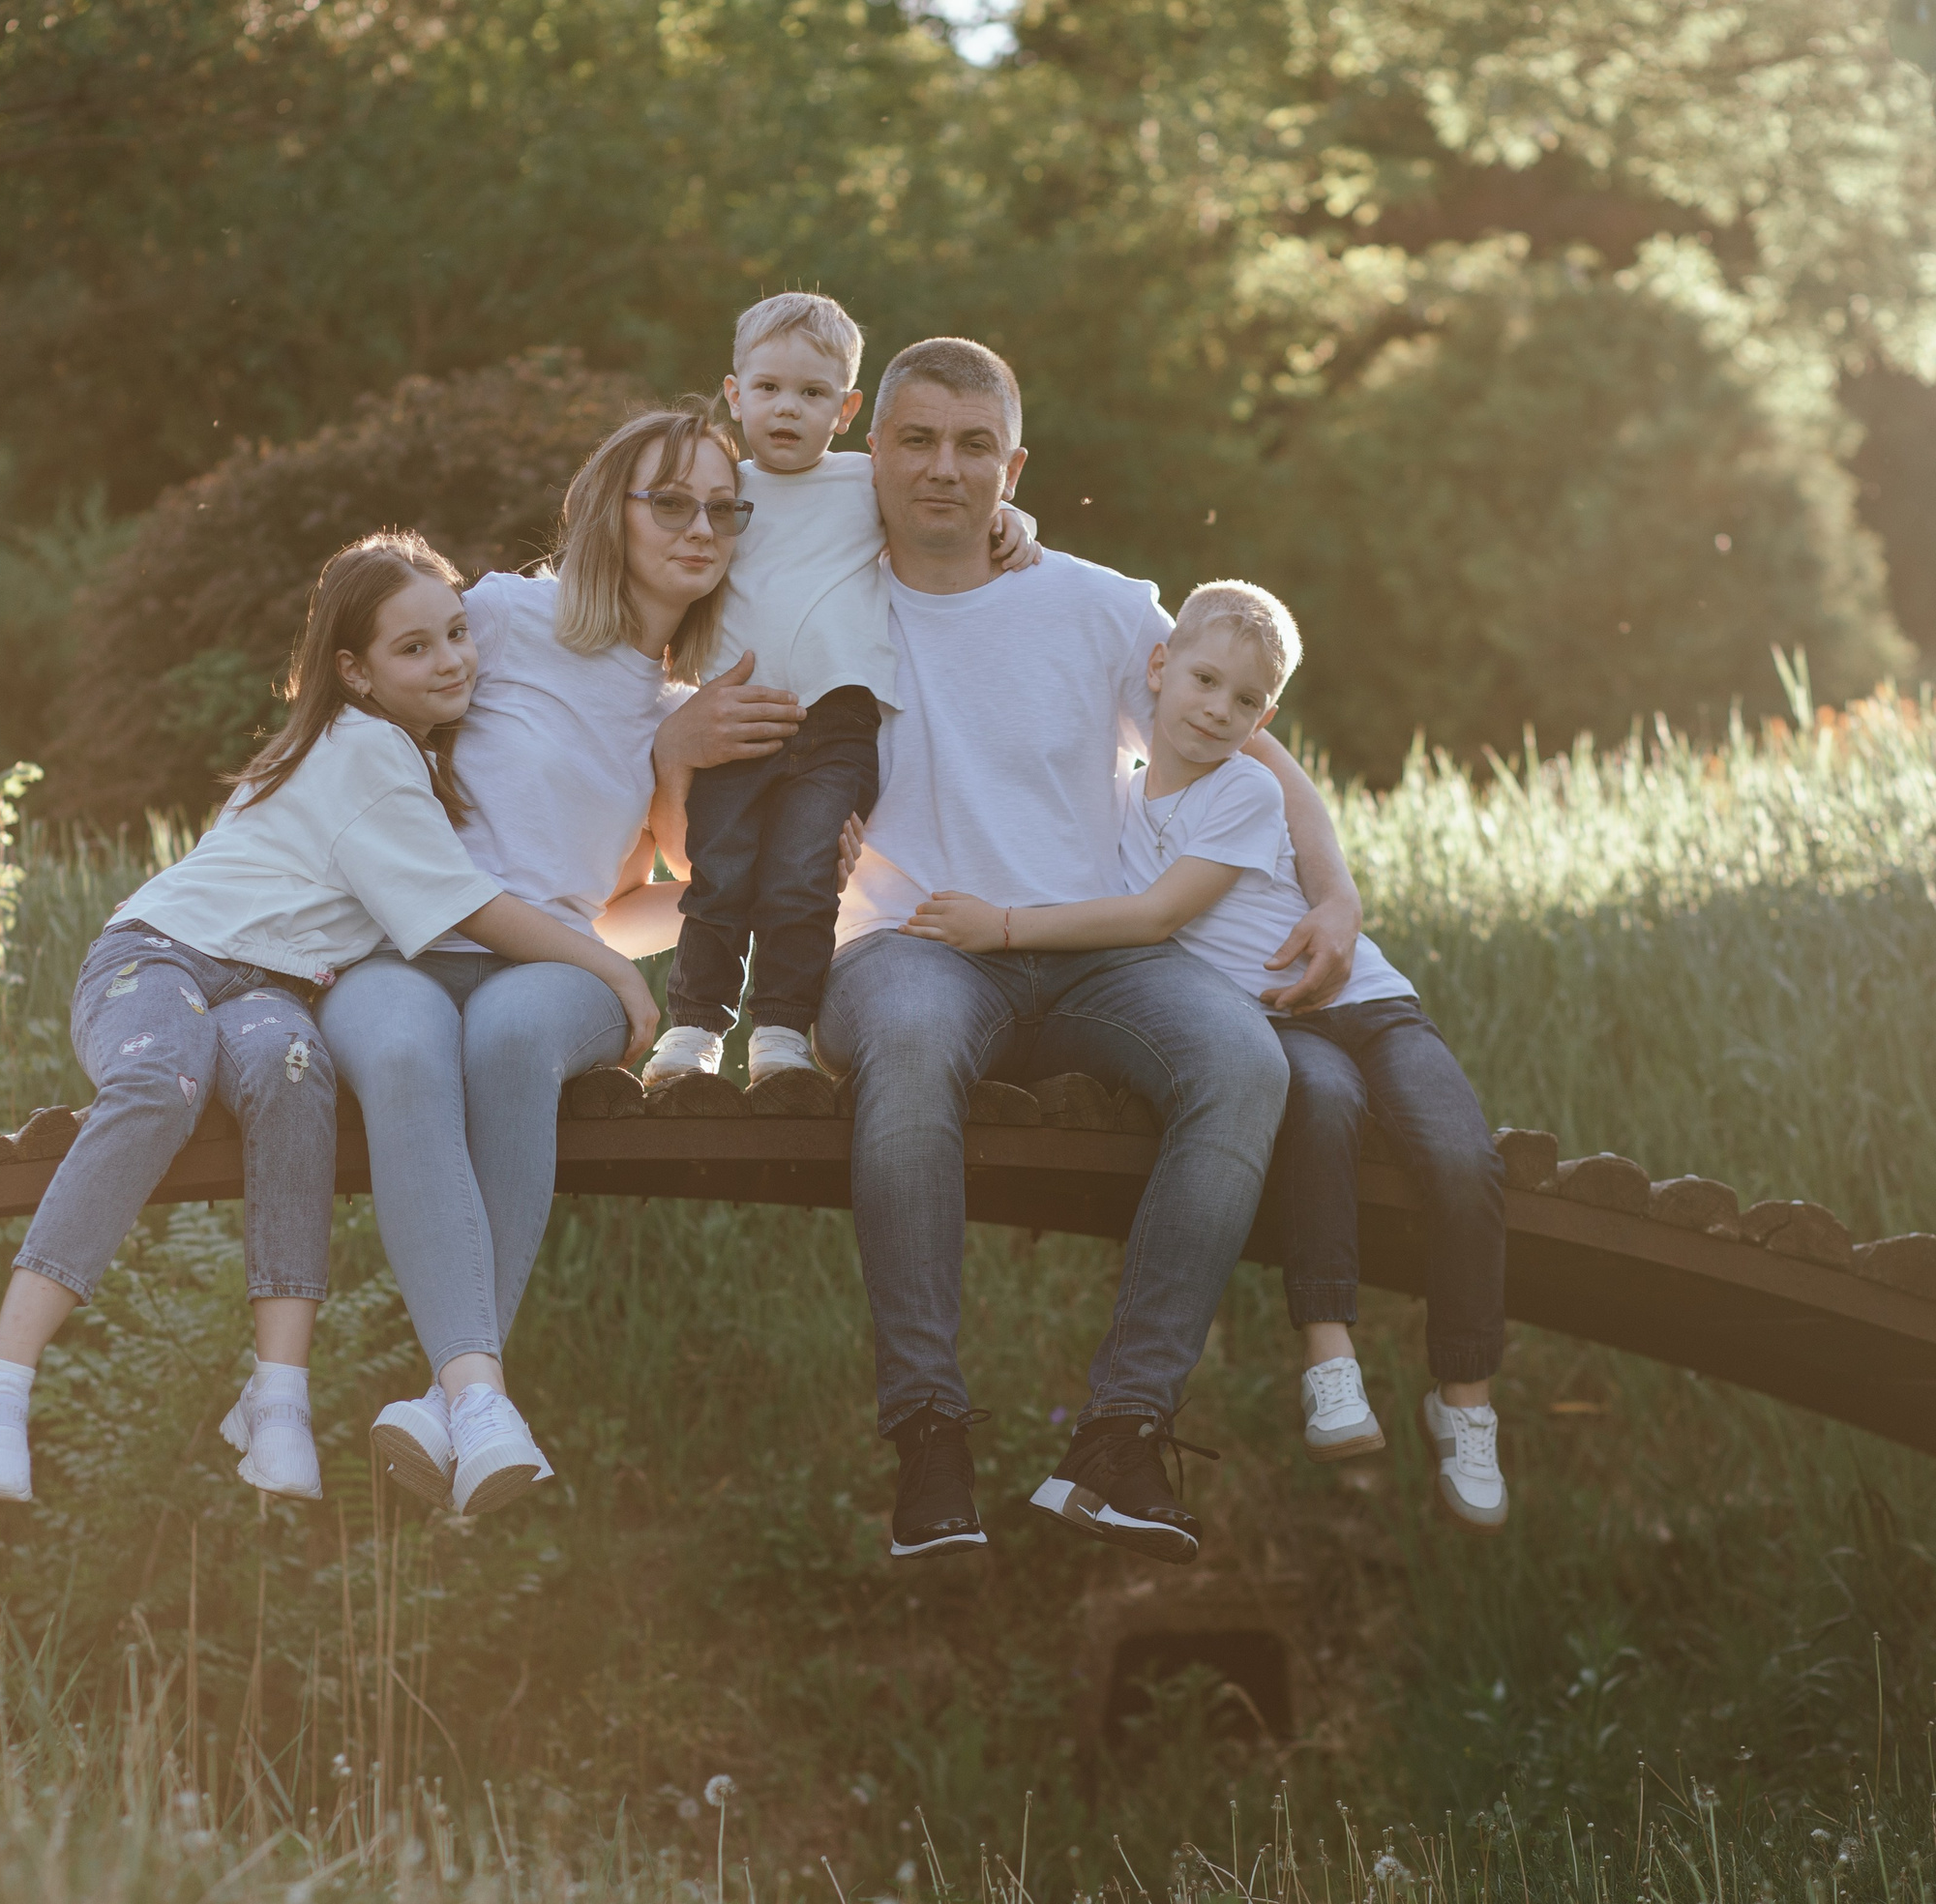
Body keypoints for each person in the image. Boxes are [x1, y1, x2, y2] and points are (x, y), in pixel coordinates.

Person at [0, 530, 659, 1517]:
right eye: (415, 649)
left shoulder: (396, 756)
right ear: (355, 673)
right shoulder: (361, 752)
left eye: (457, 633)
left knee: (291, 1075)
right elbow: (474, 912)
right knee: (160, 1085)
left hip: (270, 990)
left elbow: (494, 894)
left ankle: (278, 1397)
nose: (451, 659)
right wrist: (615, 971)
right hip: (160, 957)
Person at [814, 337, 1365, 1566]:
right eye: (915, 440)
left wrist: (1333, 895)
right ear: (871, 453)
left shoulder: (1102, 606)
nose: (943, 470)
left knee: (1243, 1064)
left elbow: (1255, 752)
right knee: (905, 1042)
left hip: (1086, 950)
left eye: (973, 447)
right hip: (910, 949)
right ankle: (927, 1433)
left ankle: (1120, 1437)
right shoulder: (820, 590)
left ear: (1014, 467)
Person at [905, 580, 1509, 1531]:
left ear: (1264, 717)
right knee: (1318, 1112)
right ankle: (1329, 1358)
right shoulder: (1100, 807)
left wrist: (1004, 927)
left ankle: (1463, 1399)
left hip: (1368, 1006)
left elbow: (1155, 916)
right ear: (1158, 668)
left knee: (1459, 1158)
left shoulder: (1245, 789)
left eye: (1241, 700)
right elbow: (1016, 840)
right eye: (1201, 680)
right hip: (1274, 1027)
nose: (1214, 710)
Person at [321, 409, 795, 1510]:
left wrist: (674, 766)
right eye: (668, 501)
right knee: (398, 1053)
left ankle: (461, 1397)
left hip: (552, 978)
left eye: (724, 508)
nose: (701, 527)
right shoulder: (494, 616)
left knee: (513, 1033)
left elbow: (637, 903)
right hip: (399, 945)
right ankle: (471, 1407)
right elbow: (356, 724)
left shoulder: (692, 708)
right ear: (598, 511)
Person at [641, 291, 1035, 1090]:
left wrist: (1016, 522)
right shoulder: (724, 491)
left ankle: (783, 1032)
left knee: (801, 876)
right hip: (739, 722)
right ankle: (694, 1032)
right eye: (770, 389)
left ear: (849, 410)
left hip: (837, 723)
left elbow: (947, 496)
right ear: (734, 393)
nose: (789, 409)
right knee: (719, 877)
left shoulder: (863, 483)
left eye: (814, 394)